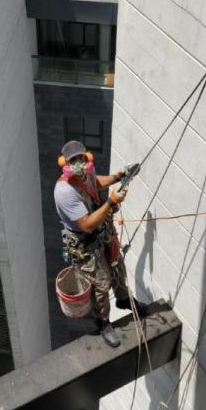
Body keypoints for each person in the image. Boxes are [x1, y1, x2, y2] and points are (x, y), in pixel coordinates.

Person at [54, 140, 149, 347]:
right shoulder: (64, 192)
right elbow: (86, 225)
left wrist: (118, 176)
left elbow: (94, 183)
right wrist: (111, 202)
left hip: (102, 232)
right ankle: (103, 321)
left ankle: (123, 299)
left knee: (117, 264)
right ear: (65, 164)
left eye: (81, 157)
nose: (78, 163)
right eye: (73, 160)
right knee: (101, 283)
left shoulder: (86, 174)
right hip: (86, 244)